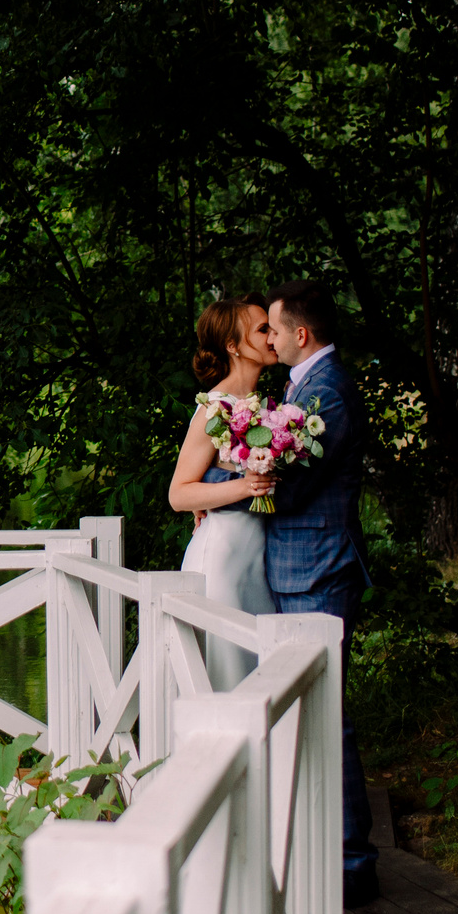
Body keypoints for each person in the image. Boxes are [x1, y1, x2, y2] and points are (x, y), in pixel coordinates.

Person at [261, 278, 379, 907]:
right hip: (301, 568)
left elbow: (294, 488)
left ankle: (354, 863)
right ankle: (326, 848)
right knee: (313, 715)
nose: (270, 339)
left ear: (300, 334)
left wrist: (236, 481)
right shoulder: (304, 384)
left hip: (320, 569)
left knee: (327, 718)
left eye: (275, 330)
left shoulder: (326, 389)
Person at [167, 294, 277, 687]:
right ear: (233, 346)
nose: (272, 336)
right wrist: (245, 487)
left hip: (257, 554)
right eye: (263, 329)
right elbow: (179, 494)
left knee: (260, 669)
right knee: (228, 674)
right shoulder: (216, 409)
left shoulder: (265, 406)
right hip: (225, 558)